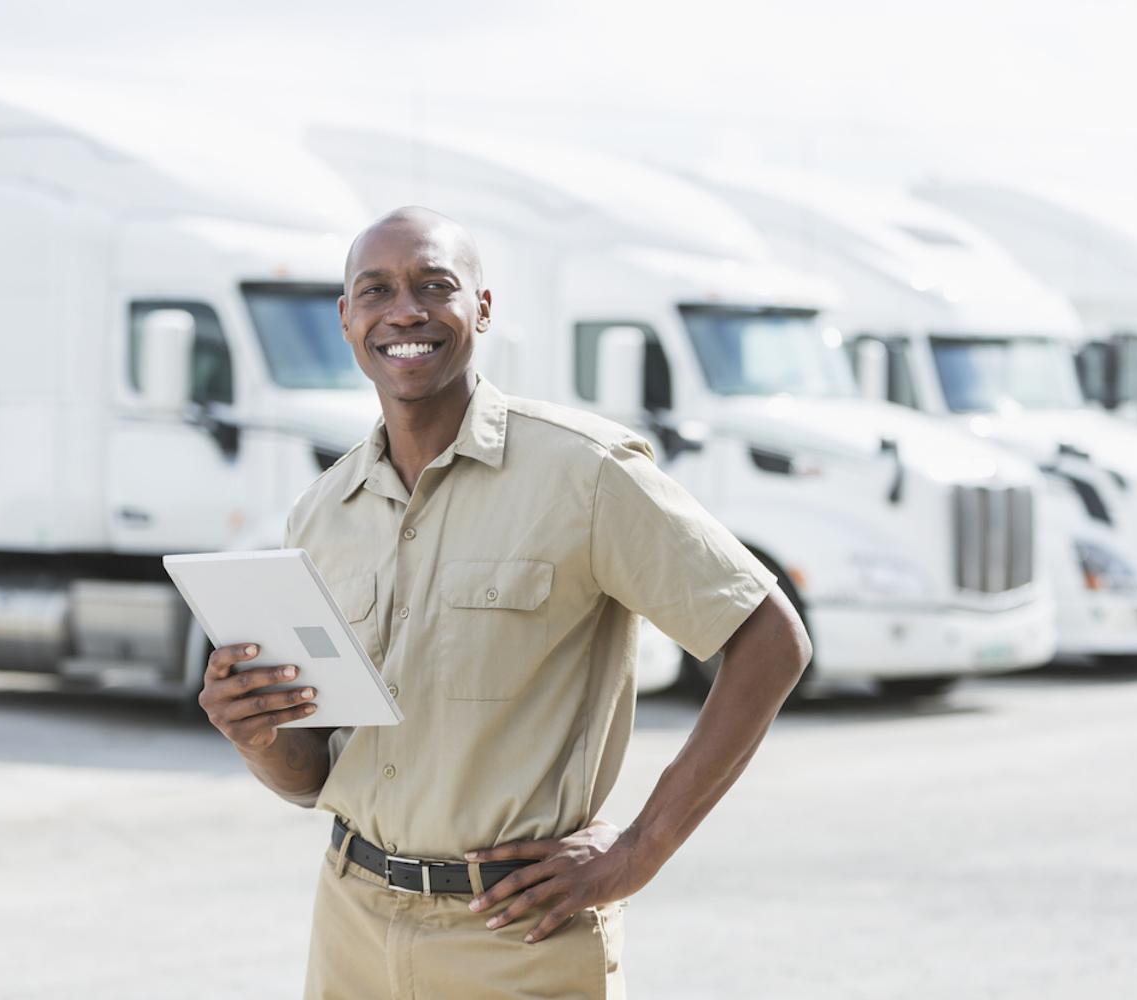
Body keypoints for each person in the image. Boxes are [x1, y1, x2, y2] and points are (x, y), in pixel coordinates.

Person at [198, 206, 812, 998]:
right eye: (376, 290)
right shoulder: (321, 514)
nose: (405, 311)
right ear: (346, 319)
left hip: (517, 937)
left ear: (482, 308)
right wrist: (252, 732)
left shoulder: (584, 473)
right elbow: (310, 774)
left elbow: (771, 639)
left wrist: (637, 850)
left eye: (434, 286)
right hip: (350, 926)